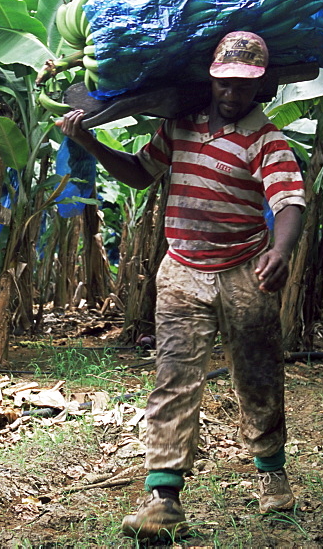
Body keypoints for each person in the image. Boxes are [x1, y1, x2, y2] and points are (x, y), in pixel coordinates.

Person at [56, 31, 306, 540]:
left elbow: (288, 202)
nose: (232, 94)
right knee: (173, 378)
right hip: (182, 271)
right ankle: (164, 498)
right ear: (210, 79)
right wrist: (90, 141)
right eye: (224, 83)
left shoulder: (267, 139)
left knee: (257, 375)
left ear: (260, 88)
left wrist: (280, 251)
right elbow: (140, 174)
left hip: (246, 270)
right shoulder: (179, 128)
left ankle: (272, 475)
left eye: (243, 86)